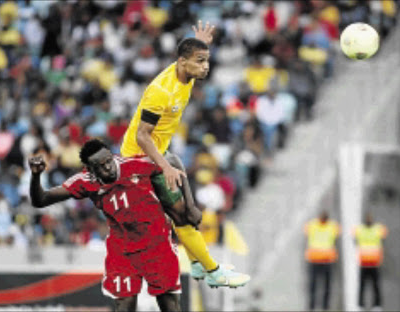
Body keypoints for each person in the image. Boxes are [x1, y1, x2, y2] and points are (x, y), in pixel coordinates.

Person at [120, 20, 250, 288]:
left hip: (161, 155)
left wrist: (200, 42)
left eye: (207, 60)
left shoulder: (185, 73)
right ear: (182, 62)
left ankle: (196, 265)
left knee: (190, 214)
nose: (206, 66)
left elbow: (189, 52)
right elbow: (141, 136)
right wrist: (164, 168)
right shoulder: (161, 92)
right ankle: (213, 271)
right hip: (139, 162)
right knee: (181, 216)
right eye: (200, 61)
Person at [29, 139, 182, 312]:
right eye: (101, 166)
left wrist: (189, 206)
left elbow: (173, 160)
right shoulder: (85, 182)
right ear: (91, 170)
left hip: (156, 243)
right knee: (124, 305)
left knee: (170, 305)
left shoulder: (136, 164)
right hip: (122, 249)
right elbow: (40, 200)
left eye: (109, 160)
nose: (109, 167)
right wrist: (35, 176)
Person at [304, 209, 340, 311]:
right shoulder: (313, 225)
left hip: (327, 260)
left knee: (326, 285)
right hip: (315, 259)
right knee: (313, 284)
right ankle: (312, 305)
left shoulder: (332, 226)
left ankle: (325, 306)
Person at [354, 212, 388, 311]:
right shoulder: (360, 230)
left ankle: (377, 305)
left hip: (375, 263)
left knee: (376, 286)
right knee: (362, 286)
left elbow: (383, 239)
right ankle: (360, 305)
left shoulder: (378, 229)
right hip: (363, 263)